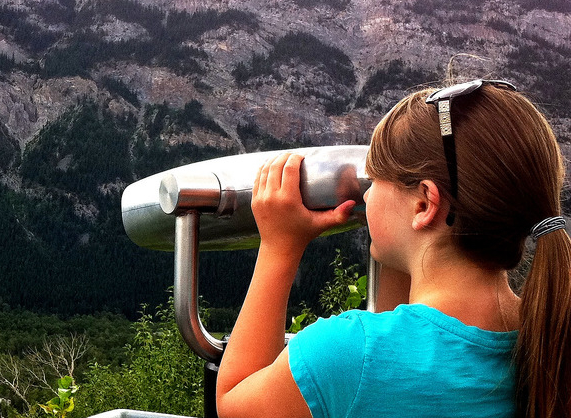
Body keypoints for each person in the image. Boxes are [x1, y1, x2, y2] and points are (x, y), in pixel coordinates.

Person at [216, 80, 571, 418]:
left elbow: (234, 402)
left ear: (423, 205)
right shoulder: (552, 340)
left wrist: (280, 245)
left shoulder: (351, 352)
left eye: (374, 180)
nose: (366, 196)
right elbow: (411, 332)